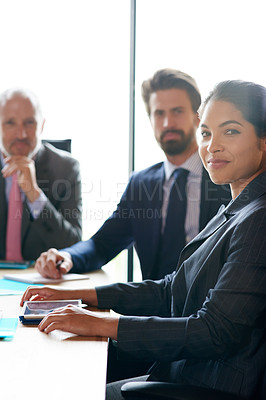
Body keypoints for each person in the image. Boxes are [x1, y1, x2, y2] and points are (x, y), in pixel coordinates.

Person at [21, 79, 266, 399]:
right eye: (206, 133)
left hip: (208, 378)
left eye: (230, 131)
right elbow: (169, 286)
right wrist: (72, 294)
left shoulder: (256, 216)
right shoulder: (235, 208)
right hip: (183, 360)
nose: (212, 145)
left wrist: (100, 323)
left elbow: (214, 331)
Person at [34, 68, 230, 280]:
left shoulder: (225, 177)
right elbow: (102, 244)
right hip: (152, 309)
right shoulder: (141, 183)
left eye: (177, 111)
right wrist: (66, 256)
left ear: (197, 117)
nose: (167, 123)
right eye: (159, 113)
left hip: (209, 307)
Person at [0, 88, 82, 261]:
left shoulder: (66, 169)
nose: (21, 134)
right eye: (10, 123)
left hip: (41, 280)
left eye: (29, 122)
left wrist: (35, 195)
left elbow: (73, 246)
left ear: (42, 125)